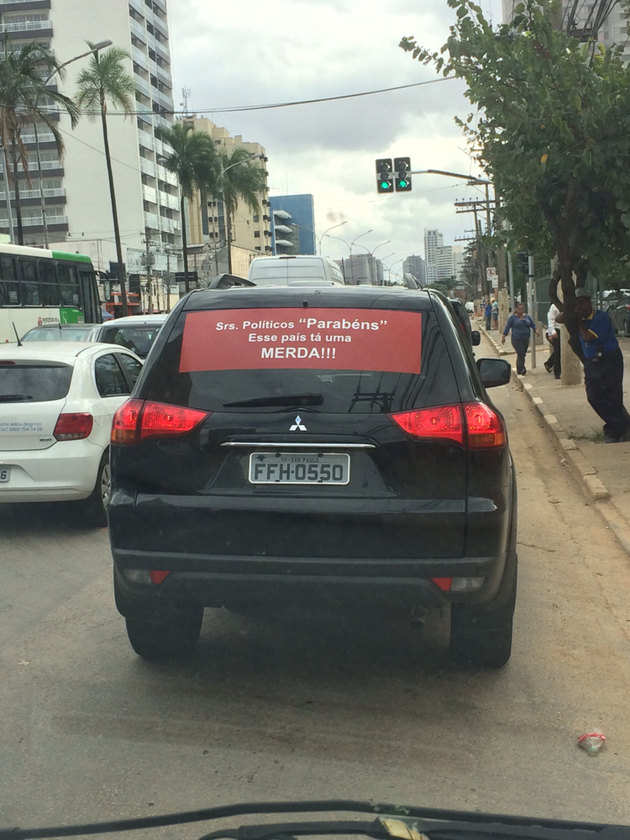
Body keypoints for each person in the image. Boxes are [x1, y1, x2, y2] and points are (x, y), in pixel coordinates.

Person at [561, 288, 630, 443]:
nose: (580, 307)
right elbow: (560, 318)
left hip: (610, 360)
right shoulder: (579, 318)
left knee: (613, 397)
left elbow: (588, 336)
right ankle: (621, 426)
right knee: (594, 397)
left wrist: (578, 321)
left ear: (589, 302)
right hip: (592, 363)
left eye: (582, 303)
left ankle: (614, 430)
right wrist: (570, 310)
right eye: (577, 304)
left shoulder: (600, 317)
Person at [501, 302, 539, 375]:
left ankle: (519, 369)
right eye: (519, 309)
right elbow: (507, 327)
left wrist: (536, 330)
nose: (521, 311)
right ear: (516, 309)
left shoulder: (527, 317)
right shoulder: (512, 318)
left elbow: (532, 324)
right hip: (516, 339)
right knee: (521, 353)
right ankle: (522, 368)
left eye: (522, 309)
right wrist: (503, 336)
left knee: (522, 354)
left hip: (526, 338)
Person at [544, 302, 562, 379]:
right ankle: (557, 372)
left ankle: (549, 363)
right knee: (558, 351)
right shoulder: (553, 306)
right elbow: (550, 321)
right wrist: (552, 332)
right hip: (555, 330)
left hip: (564, 331)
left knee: (560, 351)